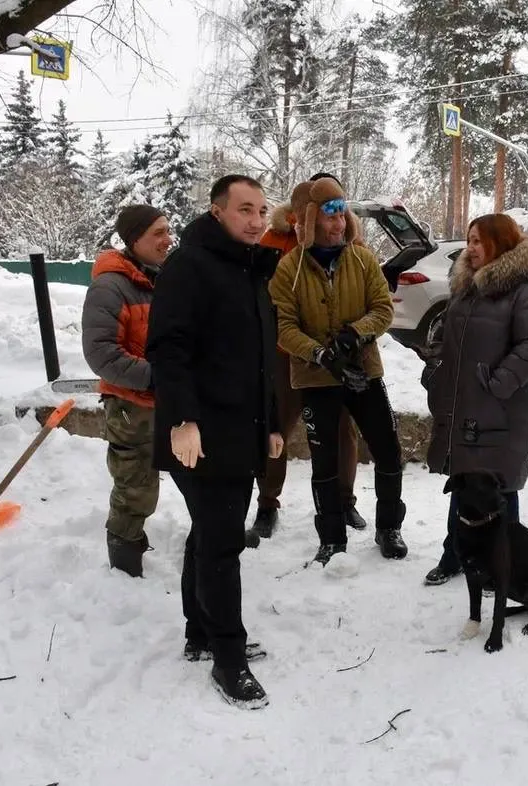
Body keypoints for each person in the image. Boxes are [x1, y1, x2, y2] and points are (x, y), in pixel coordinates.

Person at [146, 175, 284, 709]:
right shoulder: (190, 265)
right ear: (217, 211)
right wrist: (183, 419)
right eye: (244, 209)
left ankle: (200, 632)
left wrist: (272, 423)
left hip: (241, 429)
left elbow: (262, 359)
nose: (256, 220)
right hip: (201, 434)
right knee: (223, 544)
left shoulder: (248, 267)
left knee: (210, 533)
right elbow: (168, 349)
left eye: (262, 210)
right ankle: (229, 659)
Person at [271, 176, 407, 565]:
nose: (339, 224)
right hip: (316, 377)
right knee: (324, 459)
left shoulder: (362, 259)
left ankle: (389, 527)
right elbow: (283, 326)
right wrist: (320, 354)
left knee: (387, 450)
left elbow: (383, 308)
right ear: (309, 220)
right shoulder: (289, 268)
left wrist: (353, 336)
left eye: (342, 214)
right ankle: (331, 537)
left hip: (363, 372)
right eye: (330, 216)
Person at [421, 214, 528, 586]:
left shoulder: (525, 292)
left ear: (499, 243)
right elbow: (446, 337)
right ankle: (455, 554)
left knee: (500, 489)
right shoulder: (466, 286)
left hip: (501, 409)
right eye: (469, 240)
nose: (471, 248)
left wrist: (497, 384)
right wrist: (436, 369)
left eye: (478, 240)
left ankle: (505, 564)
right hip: (466, 406)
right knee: (463, 483)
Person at [248, 172, 364, 545]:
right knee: (276, 427)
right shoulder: (276, 240)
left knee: (343, 431)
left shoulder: (349, 240)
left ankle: (345, 501)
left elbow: (367, 291)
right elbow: (259, 294)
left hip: (337, 356)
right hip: (286, 355)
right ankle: (267, 503)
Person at [81, 205, 172, 577]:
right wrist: (156, 377)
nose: (168, 240)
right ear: (135, 240)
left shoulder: (159, 278)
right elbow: (101, 353)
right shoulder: (111, 286)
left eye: (168, 231)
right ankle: (124, 560)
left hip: (167, 399)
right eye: (158, 233)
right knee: (135, 486)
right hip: (131, 406)